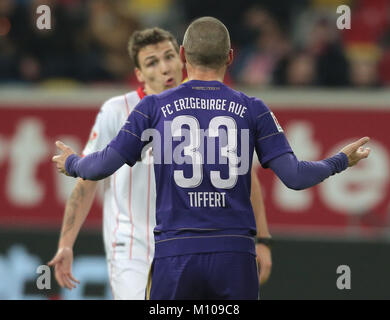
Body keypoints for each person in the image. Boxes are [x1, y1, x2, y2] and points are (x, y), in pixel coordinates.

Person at [52, 17, 370, 300]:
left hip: (175, 256)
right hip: (235, 258)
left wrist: (71, 163)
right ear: (230, 58)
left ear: (182, 56)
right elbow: (296, 176)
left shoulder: (151, 108)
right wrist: (340, 161)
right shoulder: (253, 108)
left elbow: (100, 166)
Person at [48, 27, 272, 299]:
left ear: (182, 58)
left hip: (191, 246)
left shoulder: (211, 107)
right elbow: (88, 180)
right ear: (140, 75)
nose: (165, 68)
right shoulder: (117, 111)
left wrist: (260, 240)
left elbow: (244, 177)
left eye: (168, 57)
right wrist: (66, 244)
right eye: (152, 63)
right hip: (132, 249)